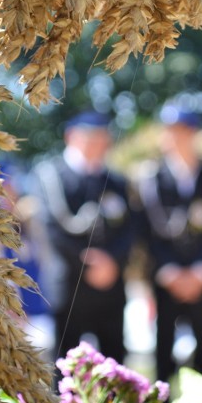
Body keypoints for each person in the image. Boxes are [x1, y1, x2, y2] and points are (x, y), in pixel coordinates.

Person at [134, 104, 202, 382]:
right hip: (167, 278)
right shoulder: (151, 179)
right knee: (163, 350)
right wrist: (169, 271)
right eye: (172, 132)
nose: (177, 139)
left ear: (195, 135)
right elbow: (145, 232)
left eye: (184, 132)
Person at [34, 111, 133, 363]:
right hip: (70, 284)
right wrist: (89, 262)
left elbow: (132, 228)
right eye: (90, 137)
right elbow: (52, 230)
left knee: (114, 365)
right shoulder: (51, 176)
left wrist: (112, 262)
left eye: (102, 137)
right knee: (67, 368)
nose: (98, 143)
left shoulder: (117, 181)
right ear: (71, 137)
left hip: (110, 286)